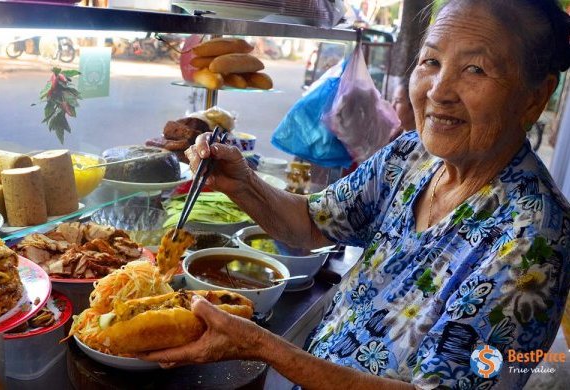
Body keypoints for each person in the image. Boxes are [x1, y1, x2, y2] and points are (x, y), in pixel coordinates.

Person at [141, 1, 570, 388]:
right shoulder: (412, 154)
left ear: (534, 98)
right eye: (431, 61)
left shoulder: (535, 240)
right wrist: (244, 183)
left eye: (475, 69)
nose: (439, 90)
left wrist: (266, 347)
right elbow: (313, 223)